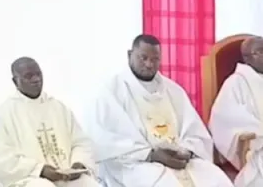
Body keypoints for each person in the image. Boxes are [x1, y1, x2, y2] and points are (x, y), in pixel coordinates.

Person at [85, 35, 234, 187]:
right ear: (130, 55)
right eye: (143, 58)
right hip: (137, 164)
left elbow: (195, 132)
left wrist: (187, 151)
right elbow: (106, 141)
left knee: (217, 179)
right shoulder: (111, 91)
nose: (149, 64)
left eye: (155, 59)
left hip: (180, 161)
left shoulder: (173, 90)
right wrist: (151, 154)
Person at [0, 57, 100, 187]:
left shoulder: (58, 108)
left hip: (66, 174)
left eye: (38, 74)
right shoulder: (2, 115)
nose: (36, 79)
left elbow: (81, 142)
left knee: (88, 184)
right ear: (15, 81)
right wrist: (40, 170)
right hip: (28, 178)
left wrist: (78, 163)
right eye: (29, 76)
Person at [209, 37, 263, 187]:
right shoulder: (236, 82)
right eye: (261, 51)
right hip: (258, 146)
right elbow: (225, 117)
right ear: (247, 58)